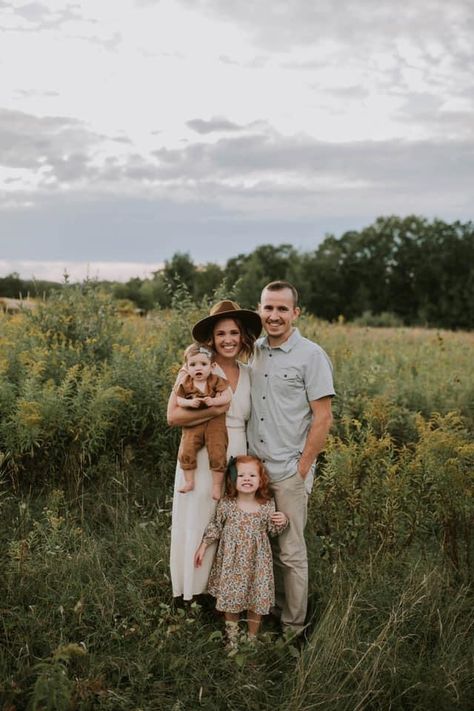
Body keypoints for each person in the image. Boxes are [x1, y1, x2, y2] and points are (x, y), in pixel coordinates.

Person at [247, 280, 335, 636]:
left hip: (288, 472)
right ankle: (270, 611)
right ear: (260, 310)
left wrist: (302, 469)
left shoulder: (311, 355)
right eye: (268, 307)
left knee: (291, 551)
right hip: (255, 473)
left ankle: (293, 629)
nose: (275, 315)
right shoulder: (252, 351)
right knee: (262, 548)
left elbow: (323, 416)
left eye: (283, 308)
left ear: (296, 313)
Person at [167, 301, 262, 601]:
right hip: (201, 453)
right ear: (211, 338)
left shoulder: (250, 373)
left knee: (229, 523)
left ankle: (224, 593)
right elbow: (173, 416)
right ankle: (193, 591)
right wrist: (215, 411)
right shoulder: (197, 368)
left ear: (243, 336)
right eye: (221, 333)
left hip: (236, 454)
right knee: (198, 518)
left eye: (234, 332)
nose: (228, 339)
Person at [194, 455, 288, 646]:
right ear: (232, 479)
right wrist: (204, 545)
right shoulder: (227, 504)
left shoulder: (266, 505)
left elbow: (272, 530)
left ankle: (252, 638)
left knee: (256, 600)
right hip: (232, 563)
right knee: (231, 599)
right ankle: (233, 638)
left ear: (261, 480)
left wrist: (282, 521)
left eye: (252, 475)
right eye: (242, 475)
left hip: (257, 562)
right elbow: (216, 526)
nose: (247, 479)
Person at [175, 343, 232, 500]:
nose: (198, 368)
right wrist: (188, 403)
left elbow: (227, 397)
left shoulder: (215, 380)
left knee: (218, 450)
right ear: (187, 366)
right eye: (193, 364)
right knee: (187, 449)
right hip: (193, 425)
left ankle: (216, 486)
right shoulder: (186, 382)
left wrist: (214, 401)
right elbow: (179, 400)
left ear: (212, 366)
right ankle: (189, 481)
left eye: (203, 364)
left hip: (215, 424)